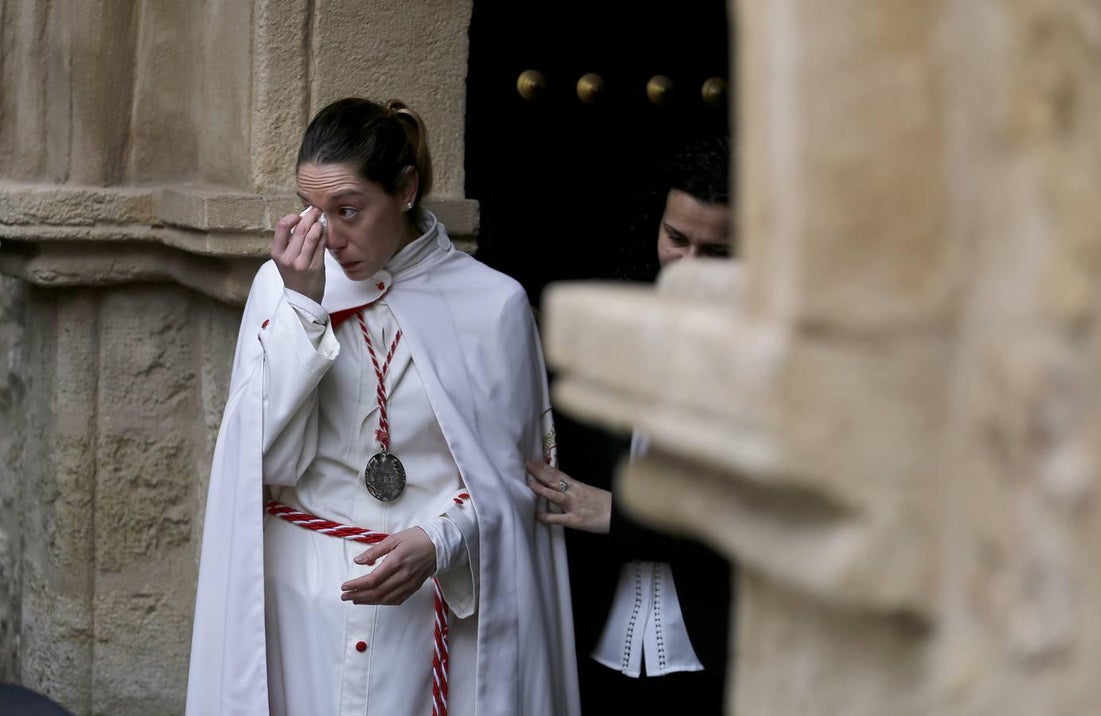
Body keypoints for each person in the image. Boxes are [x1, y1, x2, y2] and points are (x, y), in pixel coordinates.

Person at [186, 97, 579, 716]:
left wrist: (439, 542)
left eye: (348, 210)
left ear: (405, 190)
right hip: (302, 611)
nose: (327, 236)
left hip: (426, 614)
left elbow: (514, 482)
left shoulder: (493, 304)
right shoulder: (282, 284)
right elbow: (261, 461)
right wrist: (304, 312)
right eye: (312, 210)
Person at [527, 134, 734, 715]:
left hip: (718, 661)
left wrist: (614, 513)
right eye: (677, 239)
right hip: (591, 644)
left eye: (715, 252)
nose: (689, 266)